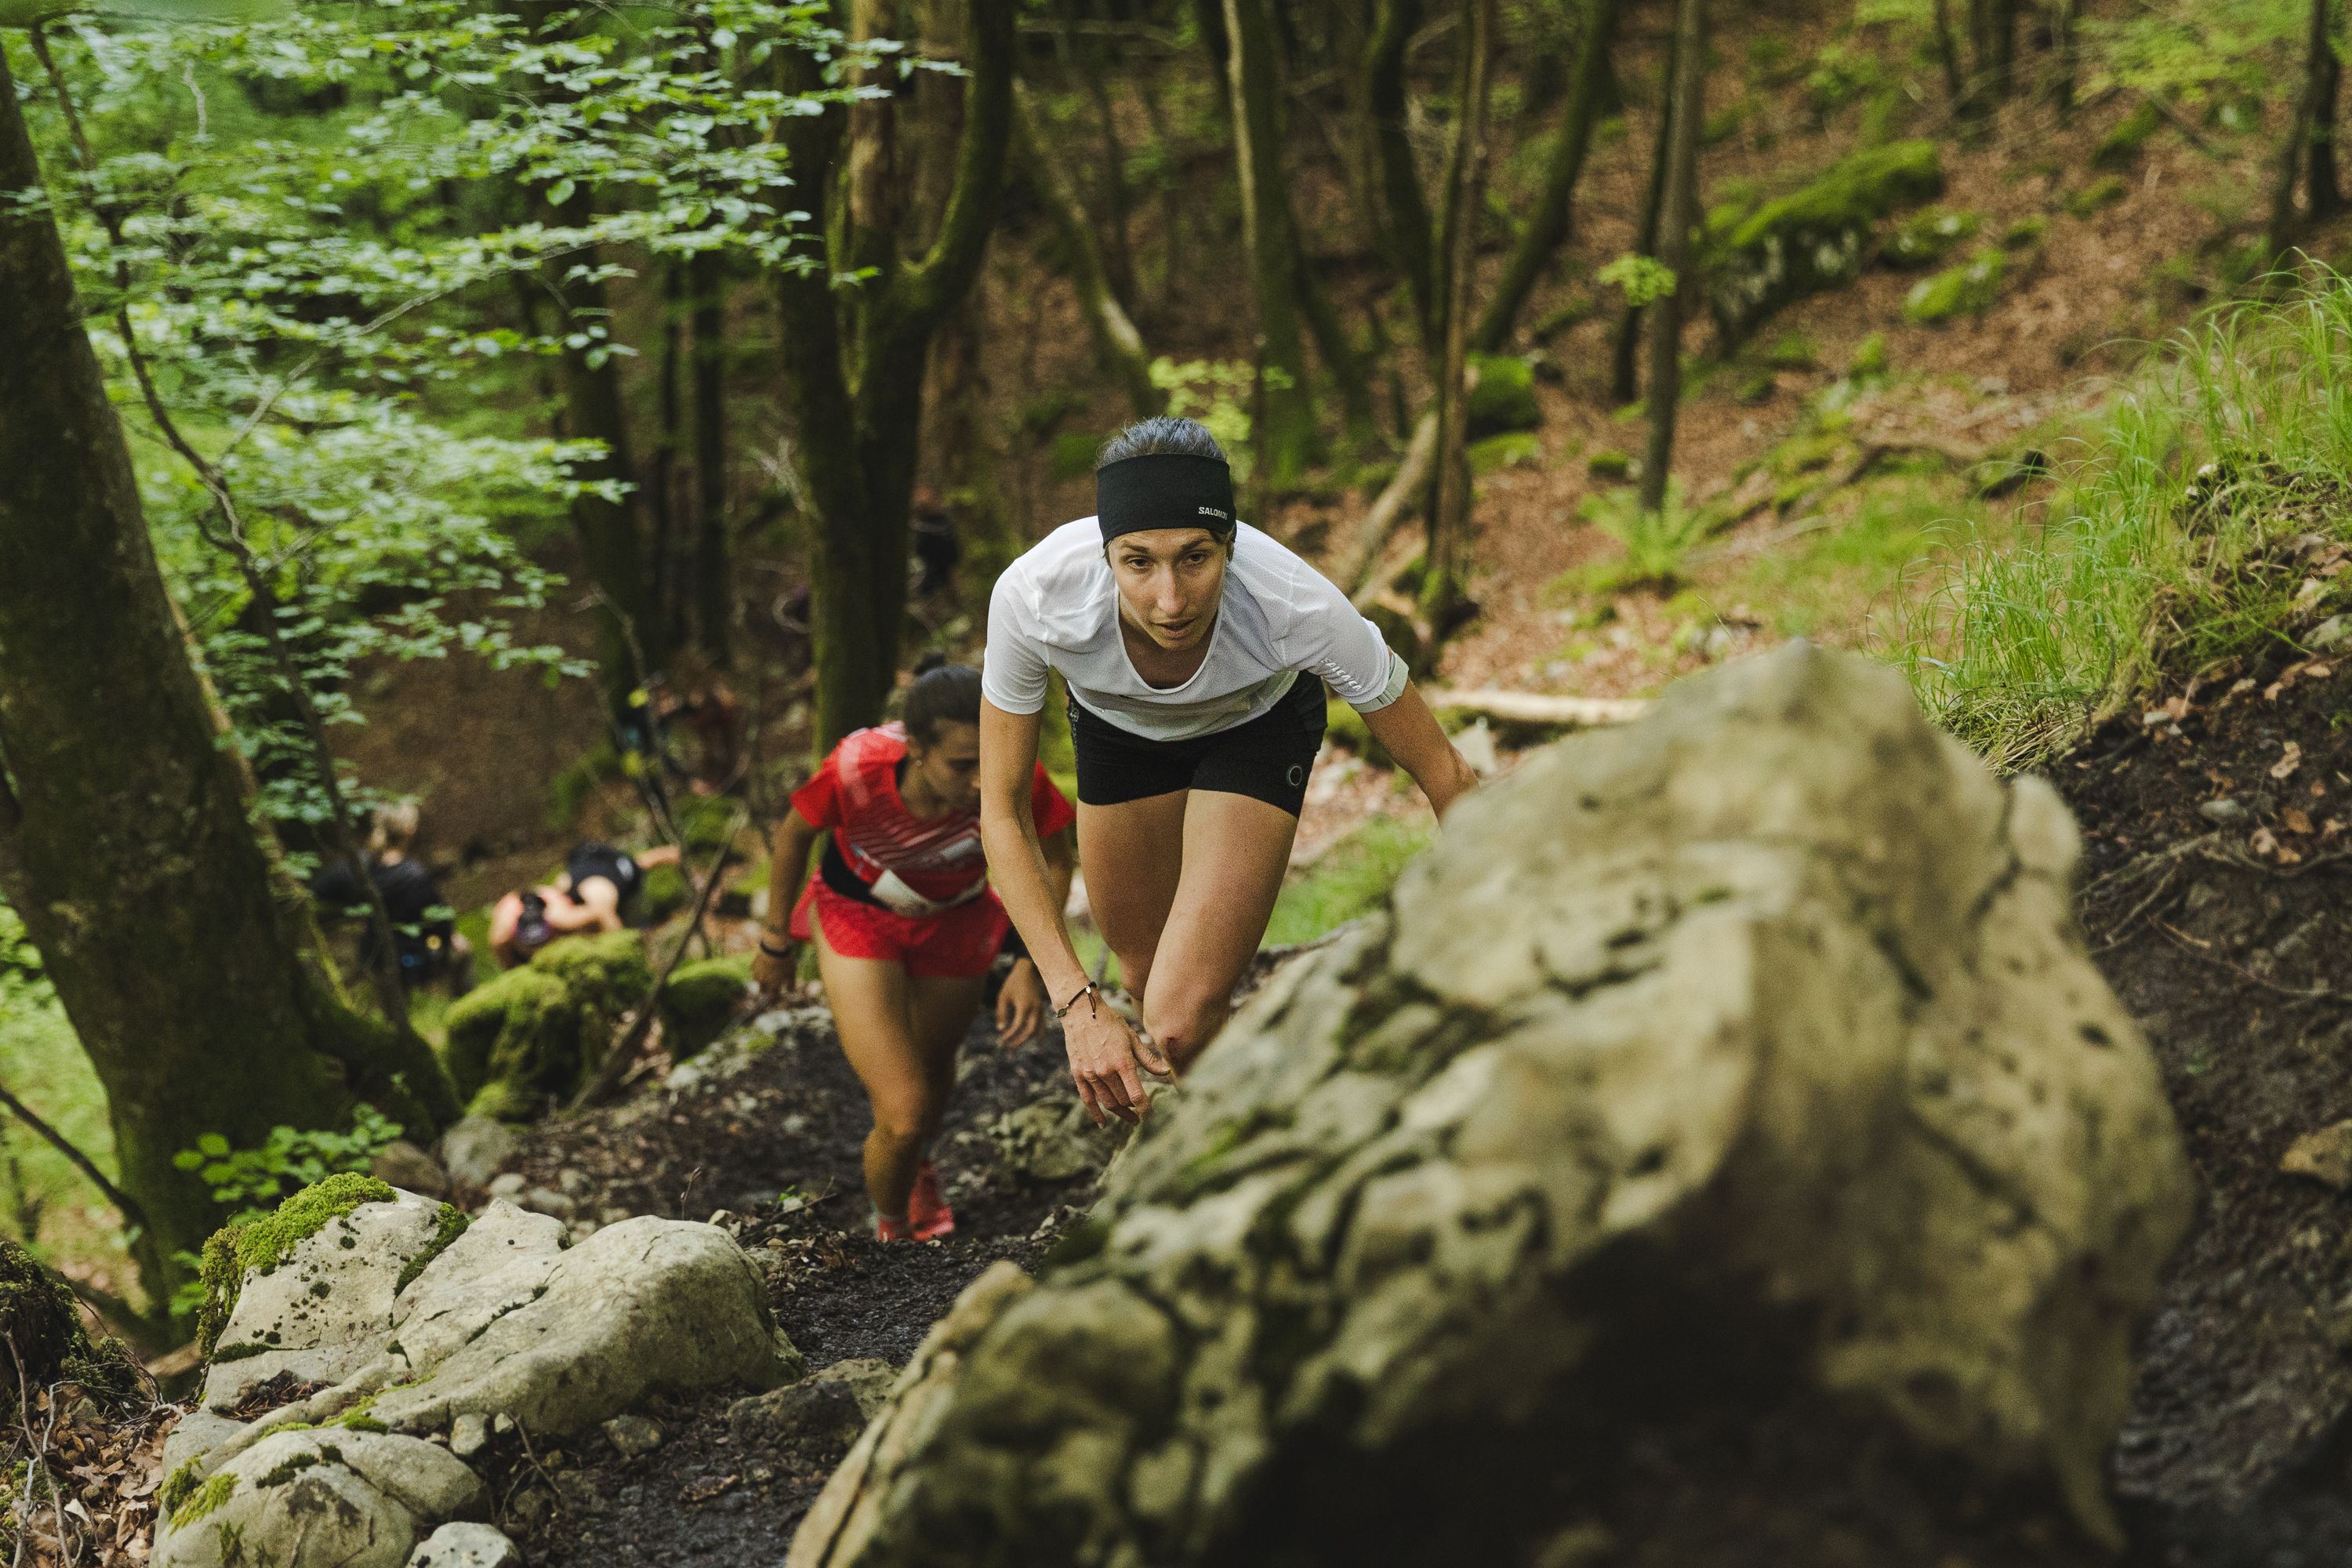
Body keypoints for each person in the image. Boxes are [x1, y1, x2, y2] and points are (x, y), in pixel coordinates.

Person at [978, 416, 1479, 1127]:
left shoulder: (1295, 603)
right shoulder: (1034, 597)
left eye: (1196, 557)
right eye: (1138, 562)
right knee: (1144, 980)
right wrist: (1076, 1005)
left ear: (1232, 545)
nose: (1171, 601)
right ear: (1105, 553)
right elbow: (1001, 809)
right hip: (1119, 737)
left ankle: (1295, 1136)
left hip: (1258, 727)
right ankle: (1258, 1124)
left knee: (1175, 1019)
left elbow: (1446, 773)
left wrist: (1497, 912)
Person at [752, 660, 1076, 1243]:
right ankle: (892, 1233)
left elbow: (1055, 859)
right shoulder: (857, 770)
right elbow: (795, 833)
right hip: (859, 915)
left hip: (958, 922)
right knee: (902, 1112)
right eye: (961, 765)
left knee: (932, 1072)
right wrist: (776, 939)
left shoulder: (1012, 773)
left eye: (989, 759)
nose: (982, 781)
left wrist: (1032, 964)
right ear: (916, 750)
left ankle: (919, 1167)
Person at [310, 803, 472, 994]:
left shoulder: (355, 867)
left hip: (372, 957)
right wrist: (449, 938)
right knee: (462, 950)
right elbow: (441, 923)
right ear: (410, 830)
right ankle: (466, 1006)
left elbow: (316, 891)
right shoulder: (414, 876)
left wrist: (349, 911)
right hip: (412, 959)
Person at [487, 841, 681, 967]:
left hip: (605, 871)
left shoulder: (563, 917)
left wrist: (624, 957)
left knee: (629, 870)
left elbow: (603, 916)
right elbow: (506, 961)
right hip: (576, 871)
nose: (538, 950)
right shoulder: (501, 936)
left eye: (542, 942)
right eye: (531, 945)